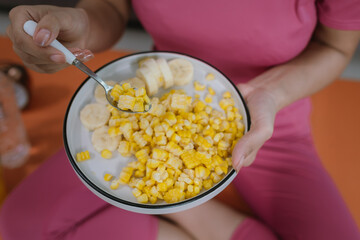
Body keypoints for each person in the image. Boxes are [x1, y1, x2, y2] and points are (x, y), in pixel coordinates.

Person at [1, 0, 360, 239]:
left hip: (275, 114)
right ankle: (188, 213)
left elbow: (336, 46)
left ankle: (188, 213)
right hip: (153, 99)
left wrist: (272, 93)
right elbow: (110, 6)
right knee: (16, 227)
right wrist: (80, 26)